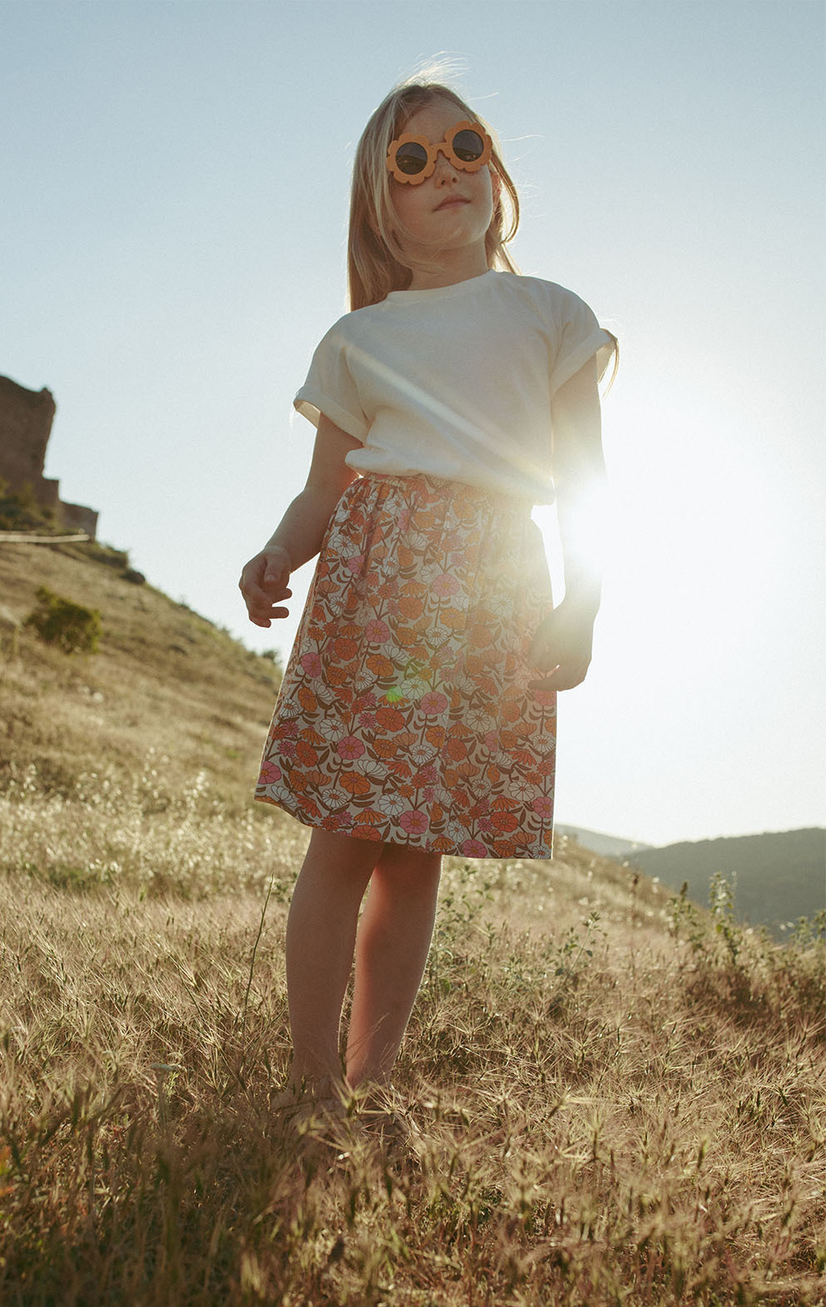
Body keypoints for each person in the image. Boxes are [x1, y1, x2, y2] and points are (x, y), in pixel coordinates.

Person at [238, 77, 616, 1117]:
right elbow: (326, 489)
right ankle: (310, 1083)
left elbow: (587, 477)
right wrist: (278, 552)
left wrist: (581, 600)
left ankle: (372, 1081)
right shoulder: (359, 340)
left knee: (414, 847)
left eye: (466, 144)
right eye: (413, 159)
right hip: (377, 586)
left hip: (492, 585)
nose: (447, 168)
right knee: (343, 834)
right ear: (378, 203)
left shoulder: (551, 313)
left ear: (494, 169)